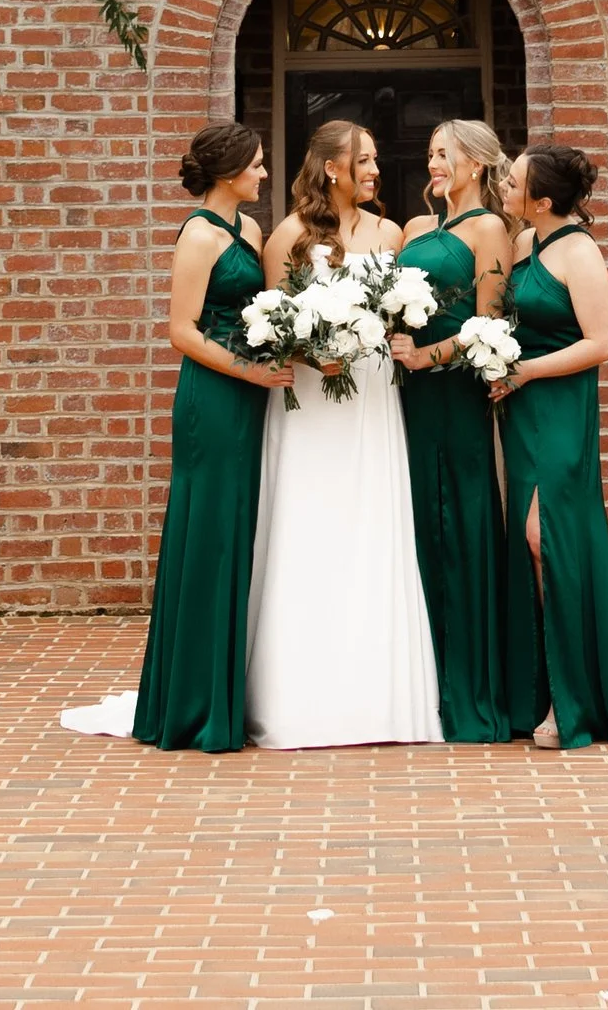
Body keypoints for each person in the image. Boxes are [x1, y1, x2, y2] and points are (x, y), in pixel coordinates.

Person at [246, 118, 443, 748]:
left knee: (371, 524)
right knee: (310, 524)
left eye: (377, 161)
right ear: (332, 166)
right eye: (365, 160)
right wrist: (312, 354)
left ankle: (379, 698)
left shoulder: (389, 233)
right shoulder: (290, 236)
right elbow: (270, 326)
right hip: (313, 402)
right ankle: (298, 697)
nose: (377, 171)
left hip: (372, 397)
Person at [127, 121, 284, 750]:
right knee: (210, 536)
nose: (264, 175)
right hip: (213, 399)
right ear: (228, 173)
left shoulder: (248, 230)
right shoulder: (198, 235)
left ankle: (229, 692)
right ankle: (193, 703)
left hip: (249, 395)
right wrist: (250, 369)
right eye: (257, 166)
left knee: (239, 530)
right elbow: (182, 331)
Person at [491, 143, 608, 749]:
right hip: (522, 409)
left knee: (546, 537)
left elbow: (601, 343)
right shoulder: (527, 243)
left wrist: (527, 370)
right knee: (529, 542)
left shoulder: (580, 251)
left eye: (515, 179)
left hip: (558, 406)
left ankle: (576, 699)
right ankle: (543, 690)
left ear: (544, 199)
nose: (505, 184)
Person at [389, 116, 517, 741]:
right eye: (431, 153)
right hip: (406, 395)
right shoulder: (417, 229)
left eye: (443, 154)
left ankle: (467, 687)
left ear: (477, 163)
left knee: (460, 521)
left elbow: (490, 326)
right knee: (413, 521)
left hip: (454, 395)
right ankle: (417, 681)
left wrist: (428, 356)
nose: (433, 164)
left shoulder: (490, 227)